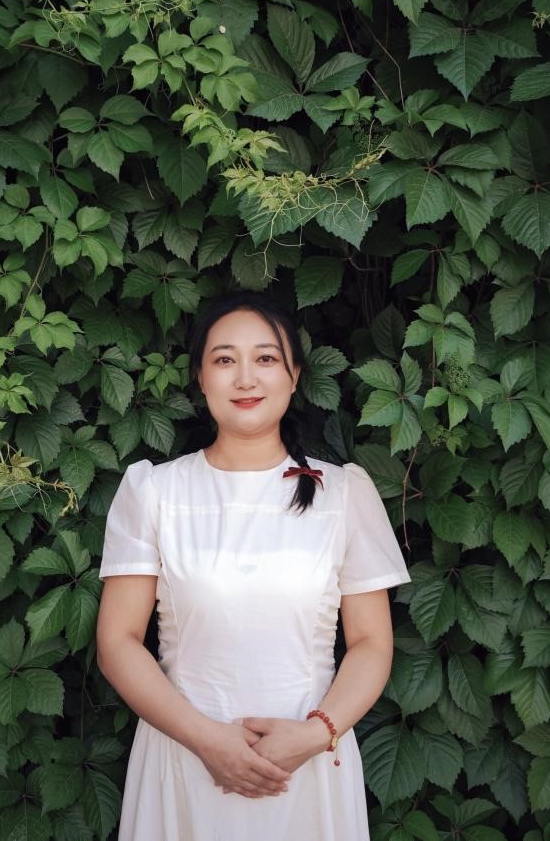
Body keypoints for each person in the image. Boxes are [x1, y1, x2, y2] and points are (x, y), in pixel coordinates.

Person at [95, 291, 413, 840]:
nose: (245, 378)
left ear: (294, 375)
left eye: (265, 358)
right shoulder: (154, 491)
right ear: (201, 377)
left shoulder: (344, 493)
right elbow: (117, 641)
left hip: (310, 765)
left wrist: (315, 734)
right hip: (184, 759)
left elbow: (371, 644)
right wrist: (207, 741)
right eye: (224, 359)